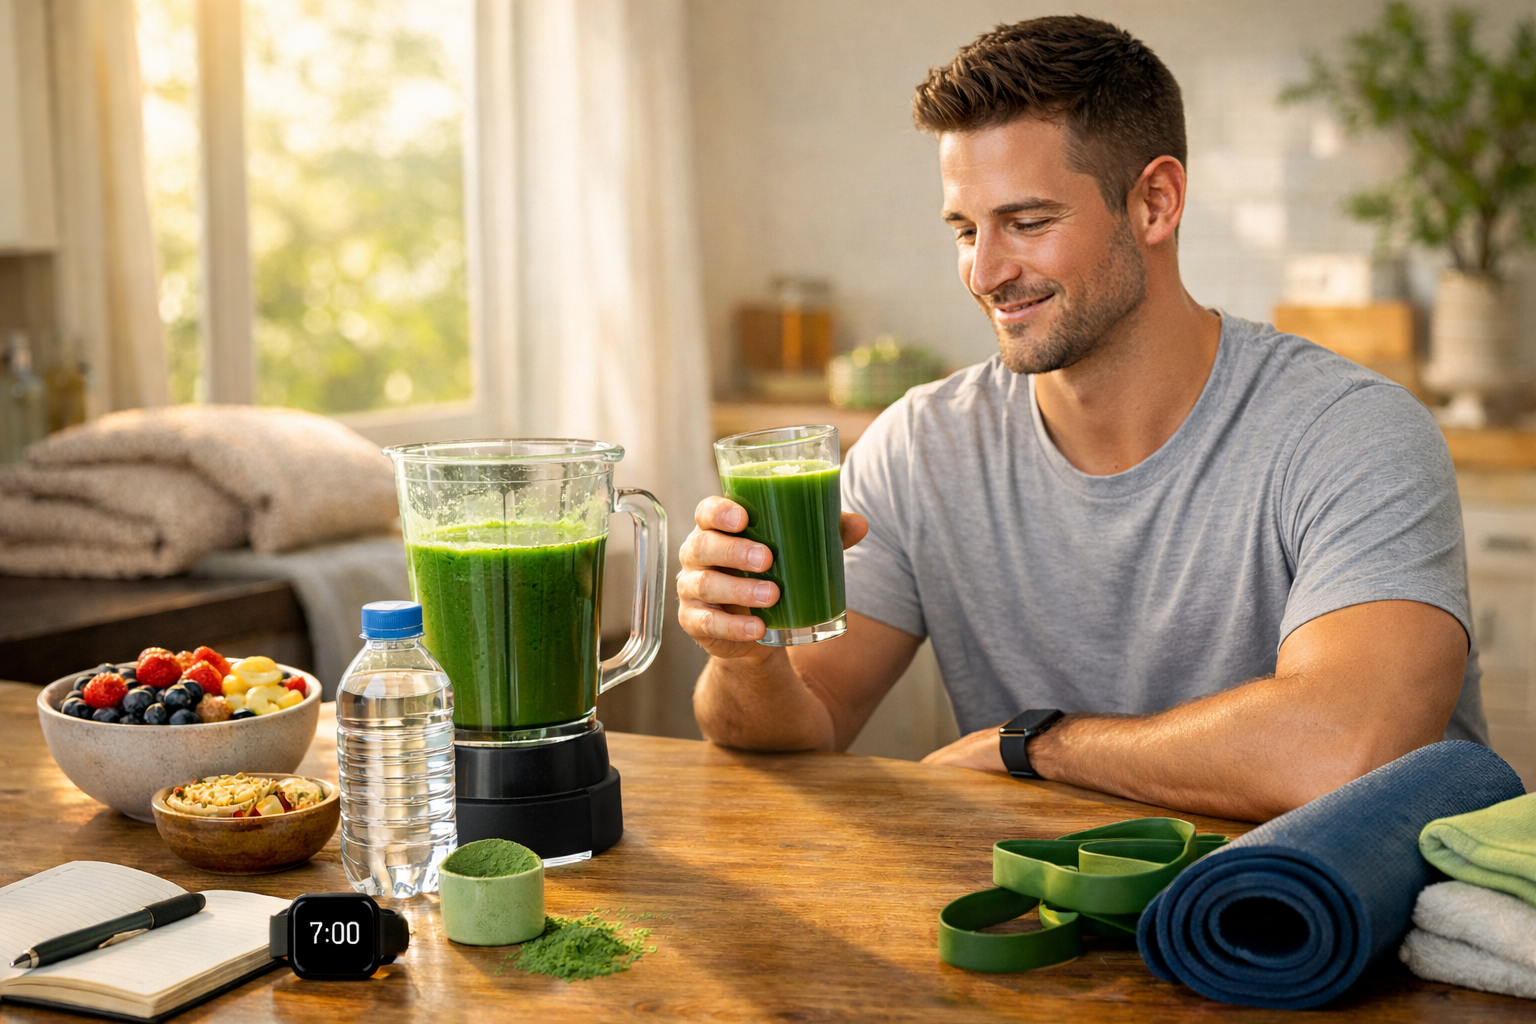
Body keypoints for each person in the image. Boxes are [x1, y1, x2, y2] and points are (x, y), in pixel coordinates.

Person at [677, 15, 1485, 823]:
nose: (985, 272)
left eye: (1027, 223)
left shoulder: (1351, 435)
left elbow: (1349, 748)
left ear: (1155, 203)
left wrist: (1034, 747)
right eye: (966, 229)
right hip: (1051, 924)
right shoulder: (923, 445)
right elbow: (796, 729)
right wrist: (743, 655)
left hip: (1334, 932)